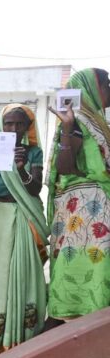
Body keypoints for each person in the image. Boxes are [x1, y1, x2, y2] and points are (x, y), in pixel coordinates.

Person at [0, 104, 48, 358]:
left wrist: (20, 167)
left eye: (19, 124)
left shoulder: (34, 152)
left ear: (27, 127)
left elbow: (34, 190)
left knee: (25, 273)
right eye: (8, 124)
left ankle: (24, 334)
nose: (13, 129)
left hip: (25, 215)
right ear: (1, 126)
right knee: (0, 275)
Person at [45, 68, 110, 326]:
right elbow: (65, 167)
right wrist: (68, 126)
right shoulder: (78, 119)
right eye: (107, 83)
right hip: (82, 210)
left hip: (99, 207)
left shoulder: (97, 120)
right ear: (93, 88)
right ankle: (75, 320)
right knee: (81, 262)